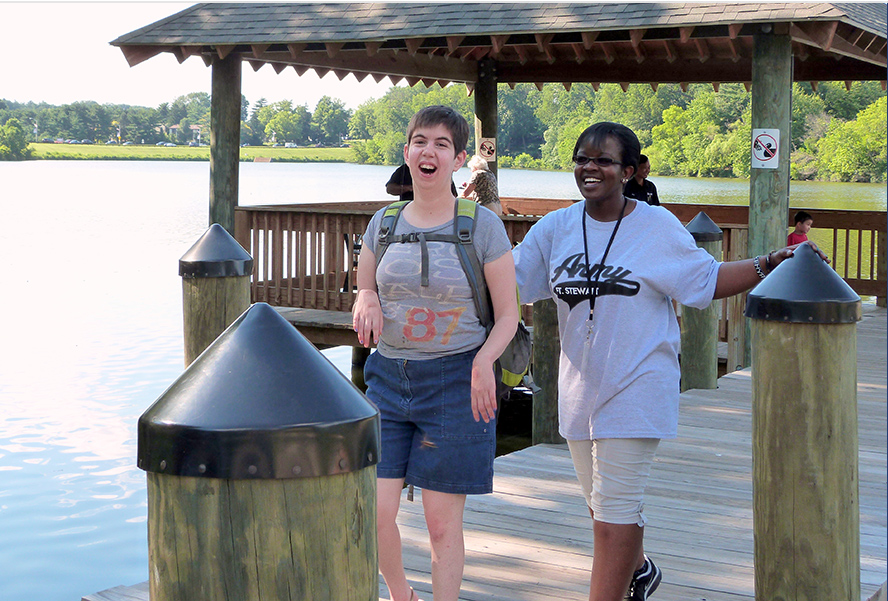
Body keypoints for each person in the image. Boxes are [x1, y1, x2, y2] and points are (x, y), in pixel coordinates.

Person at [512, 121, 828, 601]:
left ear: (632, 171)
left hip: (639, 382)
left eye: (603, 160)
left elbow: (706, 280)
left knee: (614, 513)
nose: (589, 168)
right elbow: (508, 282)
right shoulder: (555, 228)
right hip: (580, 388)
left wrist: (771, 261)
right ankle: (638, 570)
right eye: (581, 159)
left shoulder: (656, 227)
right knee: (602, 508)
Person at [353, 105, 518, 601]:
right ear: (407, 153)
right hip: (389, 379)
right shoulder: (381, 224)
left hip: (457, 382)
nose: (429, 151)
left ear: (458, 157)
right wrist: (365, 298)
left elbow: (508, 314)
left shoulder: (482, 226)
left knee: (441, 525)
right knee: (374, 510)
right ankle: (401, 594)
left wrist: (485, 363)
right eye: (420, 141)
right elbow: (365, 286)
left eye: (442, 144)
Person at [387, 162, 458, 200]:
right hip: (407, 210)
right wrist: (410, 188)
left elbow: (453, 195)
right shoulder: (405, 169)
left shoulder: (442, 170)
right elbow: (390, 189)